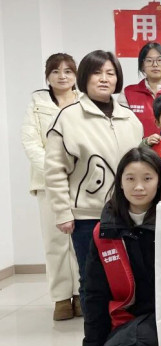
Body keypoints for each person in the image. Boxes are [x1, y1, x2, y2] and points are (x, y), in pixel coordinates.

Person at [45, 50, 143, 315]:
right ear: (85, 78)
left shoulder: (129, 118)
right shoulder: (68, 117)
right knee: (92, 281)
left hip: (127, 214)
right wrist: (63, 212)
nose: (104, 79)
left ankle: (123, 330)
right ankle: (96, 331)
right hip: (88, 216)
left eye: (110, 73)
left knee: (129, 275)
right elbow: (54, 170)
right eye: (97, 73)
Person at [82, 146, 161, 346]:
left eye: (148, 178)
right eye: (130, 178)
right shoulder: (105, 231)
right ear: (120, 182)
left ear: (160, 181)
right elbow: (94, 296)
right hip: (125, 324)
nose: (139, 187)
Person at [21, 53, 81, 321]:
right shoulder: (38, 102)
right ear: (47, 76)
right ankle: (61, 298)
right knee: (55, 241)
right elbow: (30, 141)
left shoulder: (85, 101)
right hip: (47, 182)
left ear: (76, 75)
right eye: (56, 71)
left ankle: (81, 294)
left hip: (80, 180)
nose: (62, 76)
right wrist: (53, 170)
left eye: (68, 71)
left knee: (80, 240)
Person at [119, 42, 161, 137]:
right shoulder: (128, 93)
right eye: (149, 60)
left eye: (160, 60)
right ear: (142, 65)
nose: (155, 64)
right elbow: (121, 127)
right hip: (139, 146)